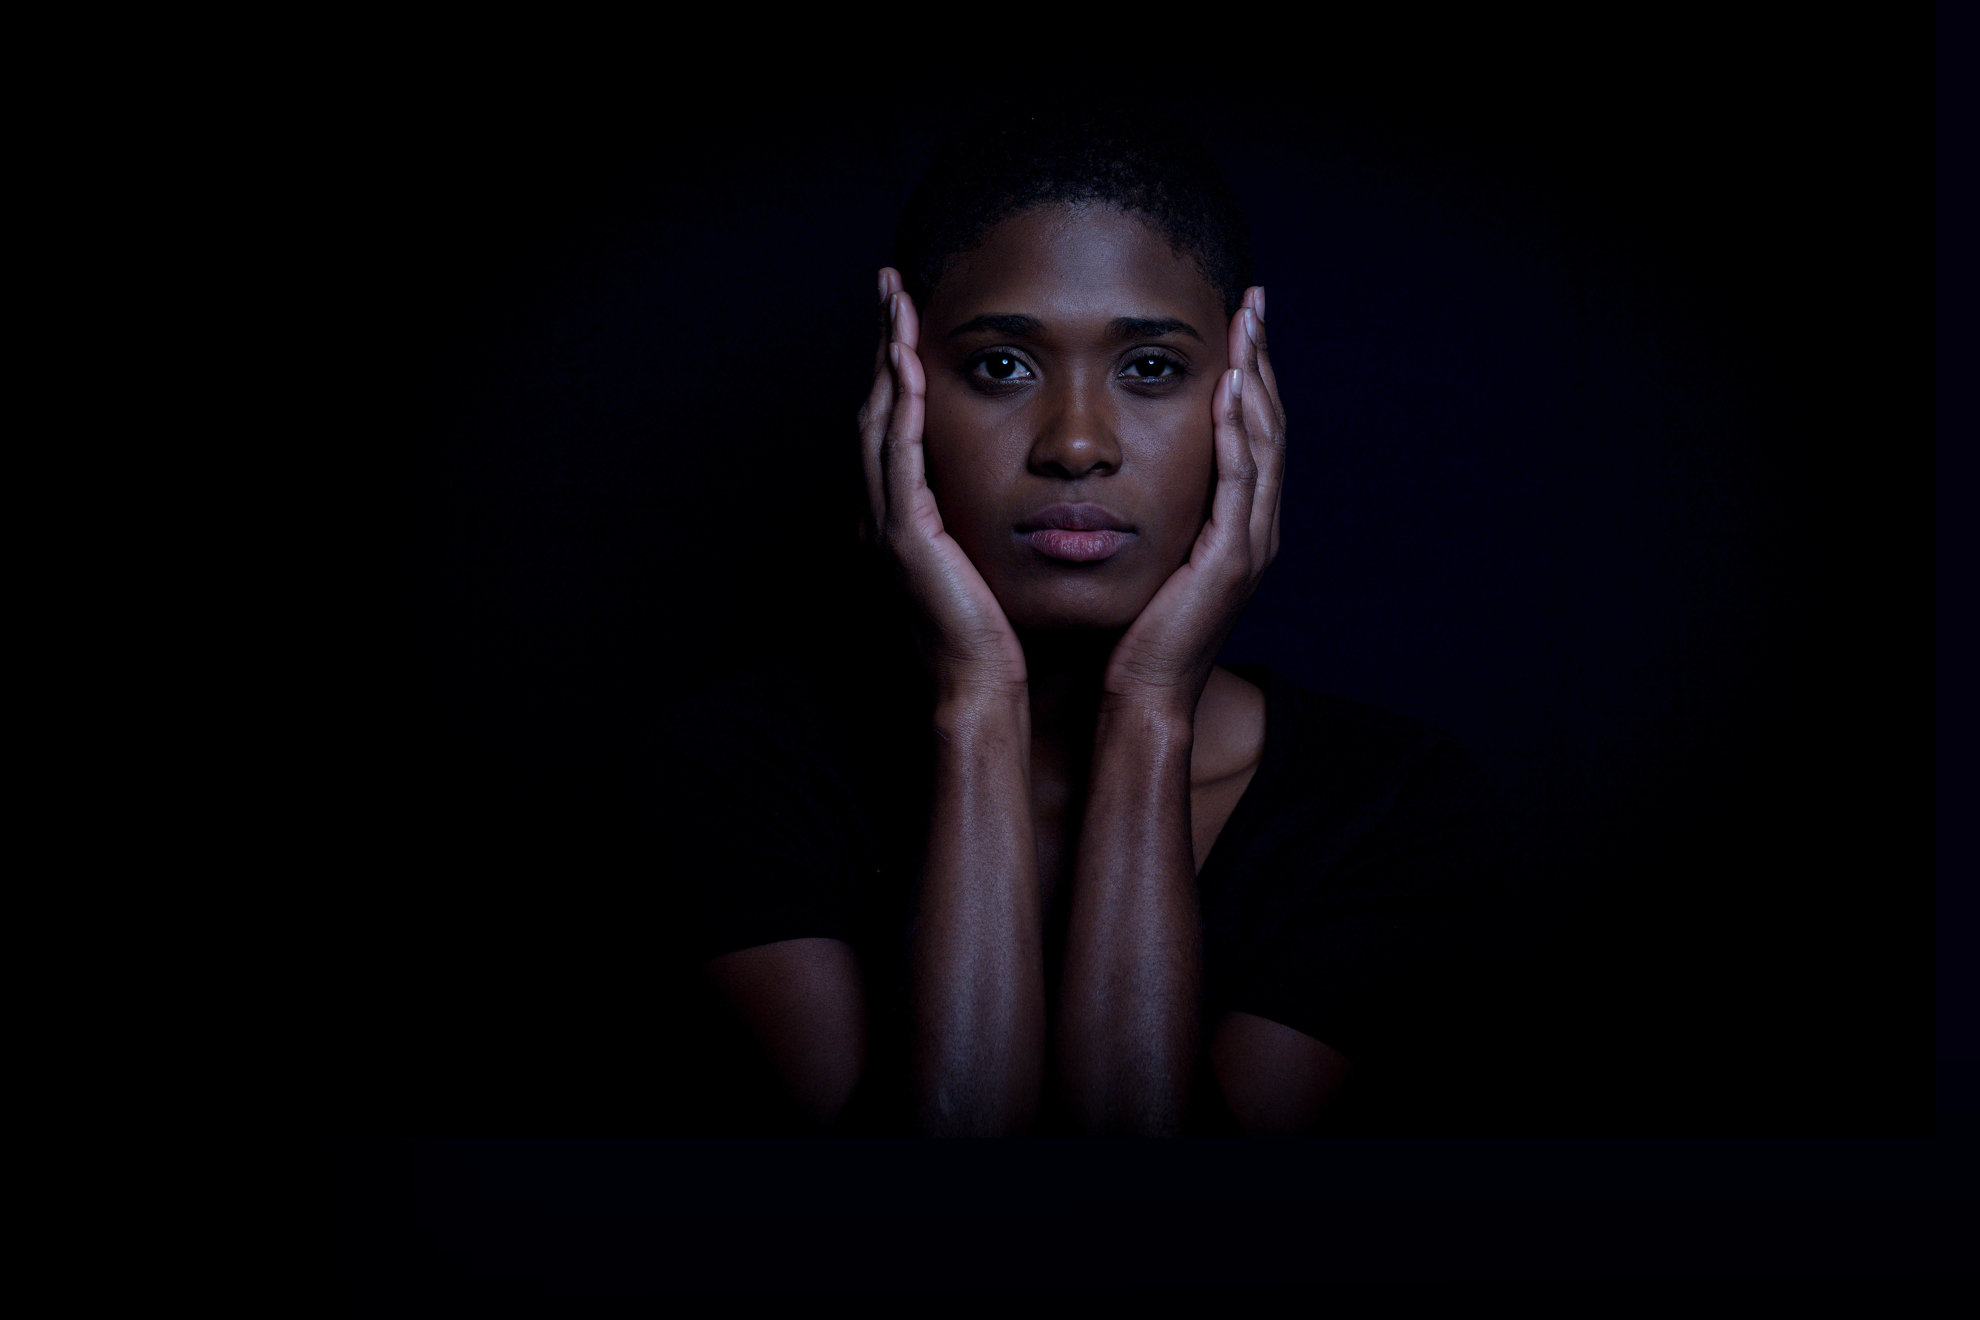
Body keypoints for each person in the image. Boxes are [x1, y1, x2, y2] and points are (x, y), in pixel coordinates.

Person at [661, 109, 1503, 1135]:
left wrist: (1148, 709)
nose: (1073, 445)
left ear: (1249, 400)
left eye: (1149, 366)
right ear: (898, 387)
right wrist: (979, 701)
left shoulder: (1390, 810)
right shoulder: (737, 772)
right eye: (1001, 365)